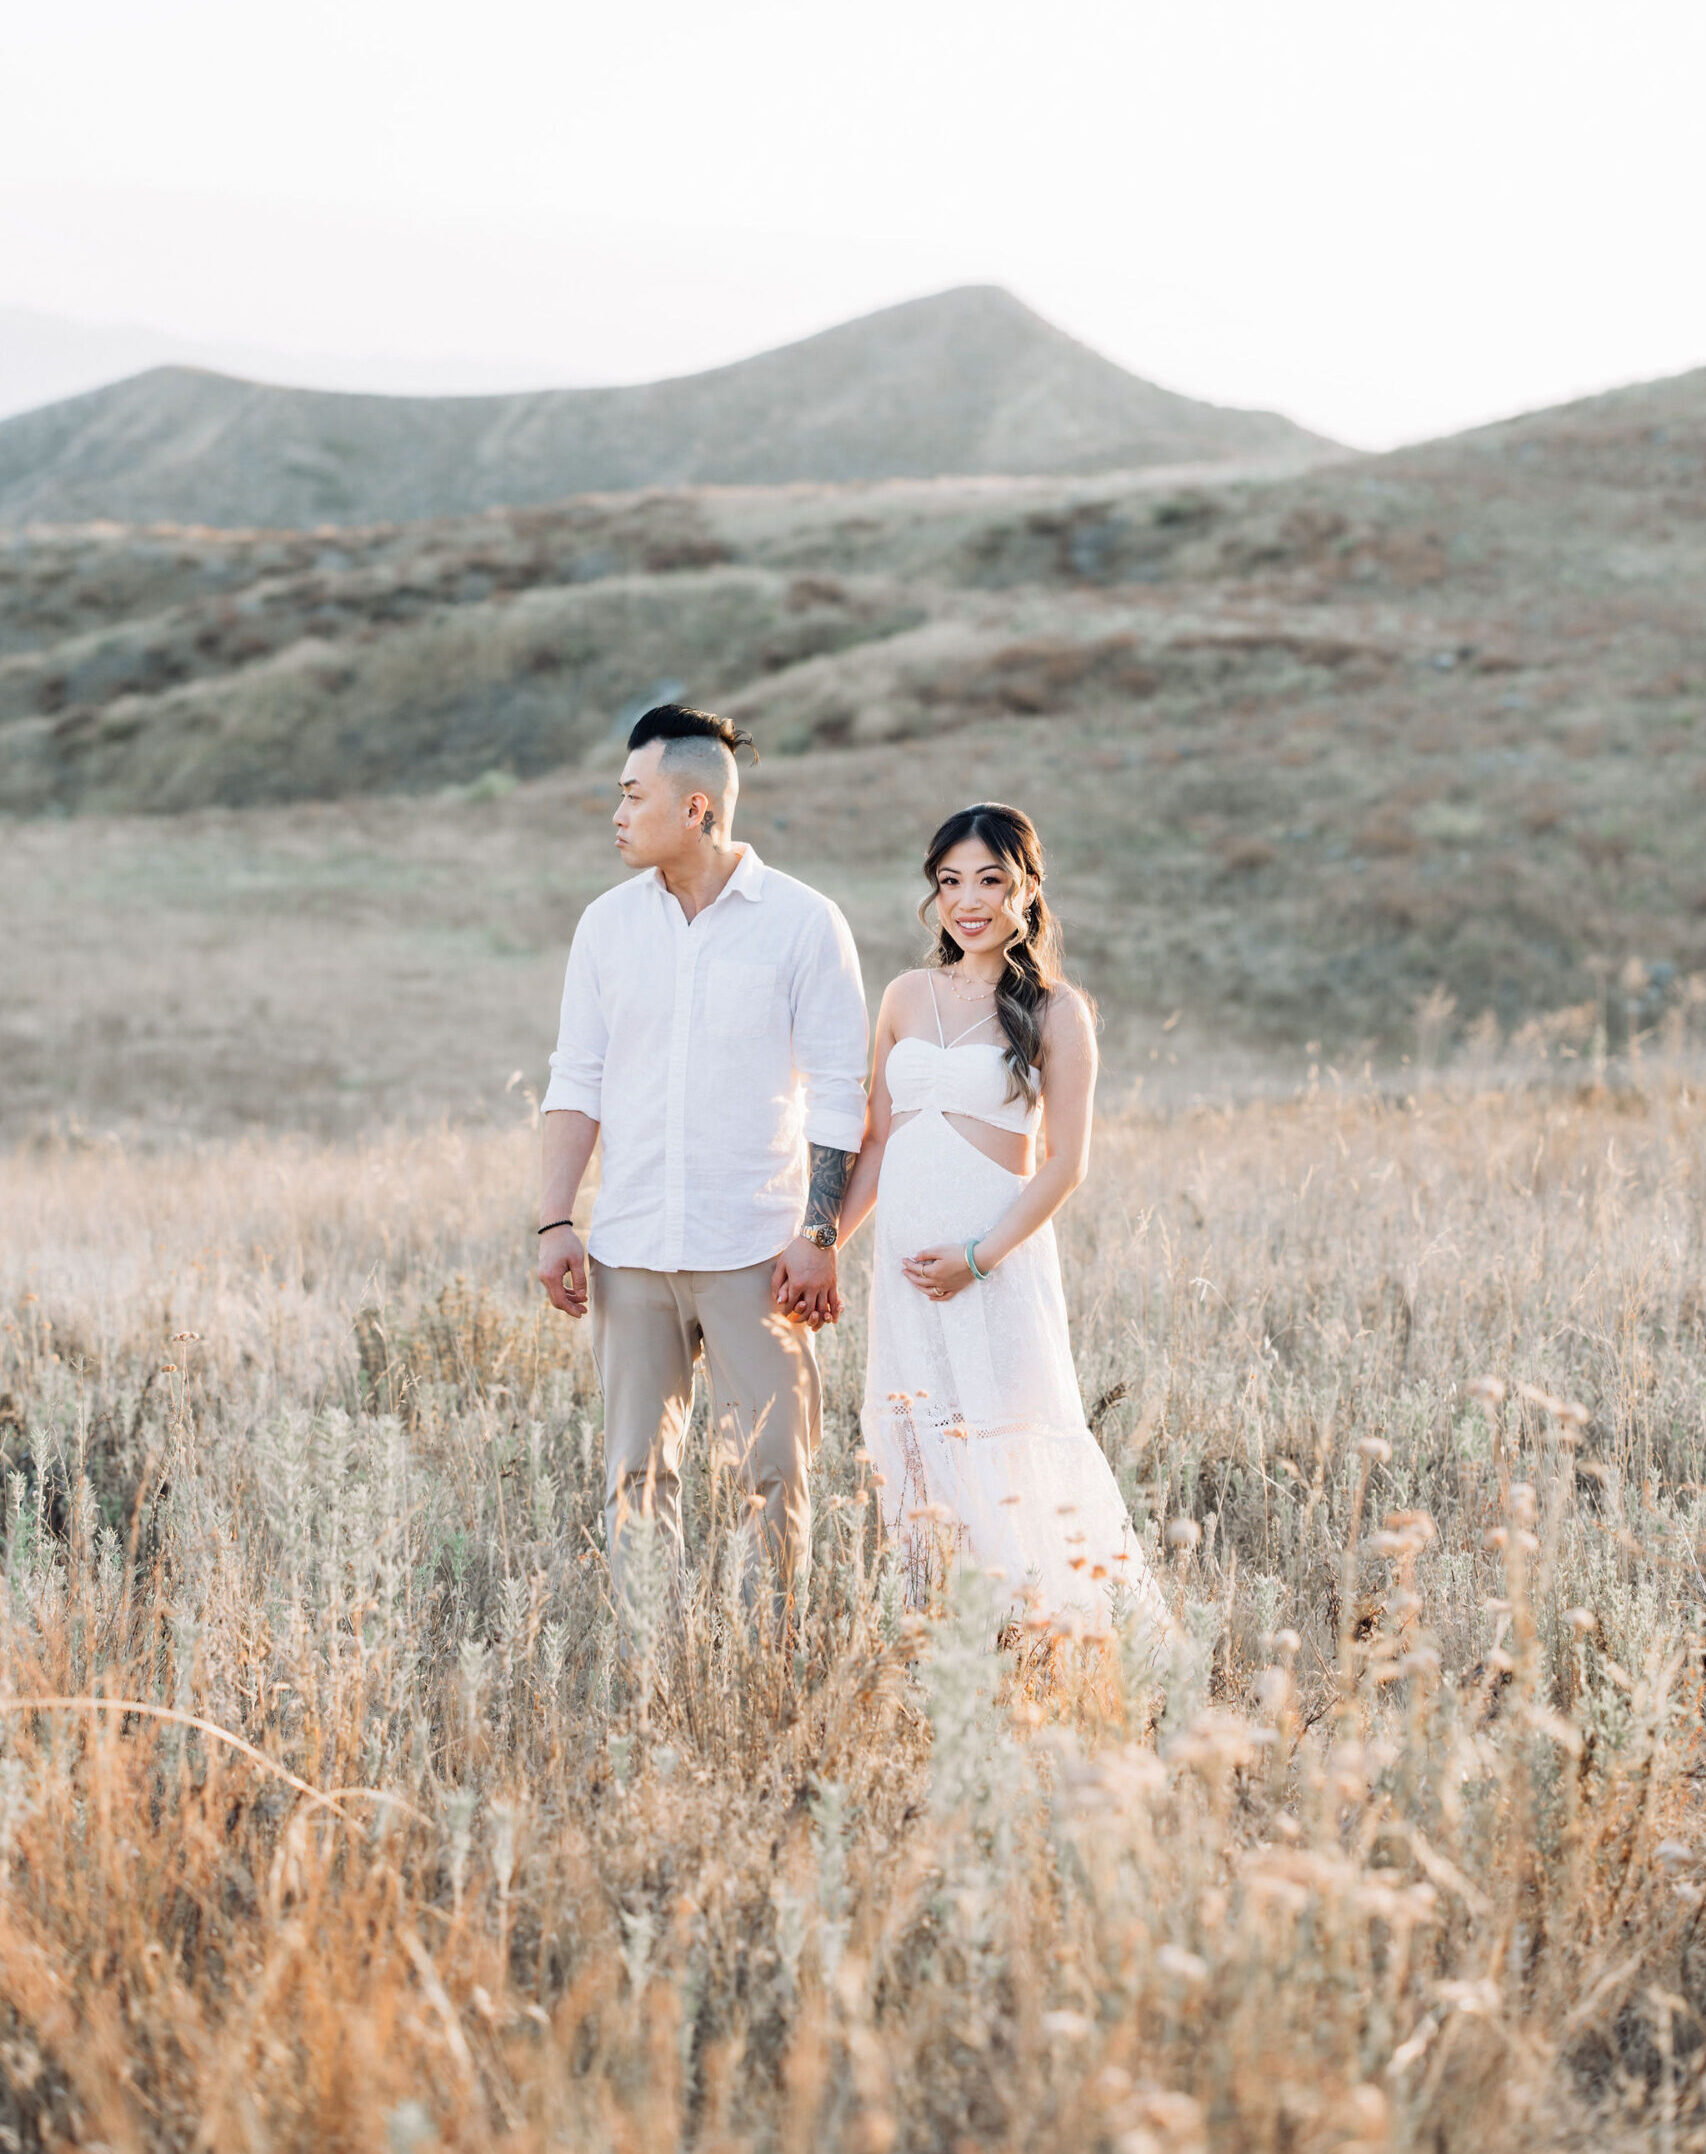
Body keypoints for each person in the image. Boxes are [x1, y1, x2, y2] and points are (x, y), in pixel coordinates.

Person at [536, 704, 867, 1621]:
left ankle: (762, 1670)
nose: (615, 812)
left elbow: (842, 1094)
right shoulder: (605, 926)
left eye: (631, 795)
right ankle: (652, 1682)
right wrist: (556, 1218)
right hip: (630, 1248)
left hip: (757, 1253)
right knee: (636, 1477)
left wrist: (819, 1234)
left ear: (694, 809)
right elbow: (579, 1078)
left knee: (774, 1474)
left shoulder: (805, 923)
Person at [838, 803, 1170, 1637]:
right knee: (918, 1441)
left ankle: (1057, 1639)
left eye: (990, 879)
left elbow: (1065, 1163)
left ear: (1027, 888)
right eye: (950, 882)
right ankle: (941, 1637)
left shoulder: (1058, 1011)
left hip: (994, 1264)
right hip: (908, 1273)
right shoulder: (906, 996)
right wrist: (824, 1249)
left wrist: (977, 1257)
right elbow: (875, 1143)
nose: (968, 900)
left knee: (1011, 1442)